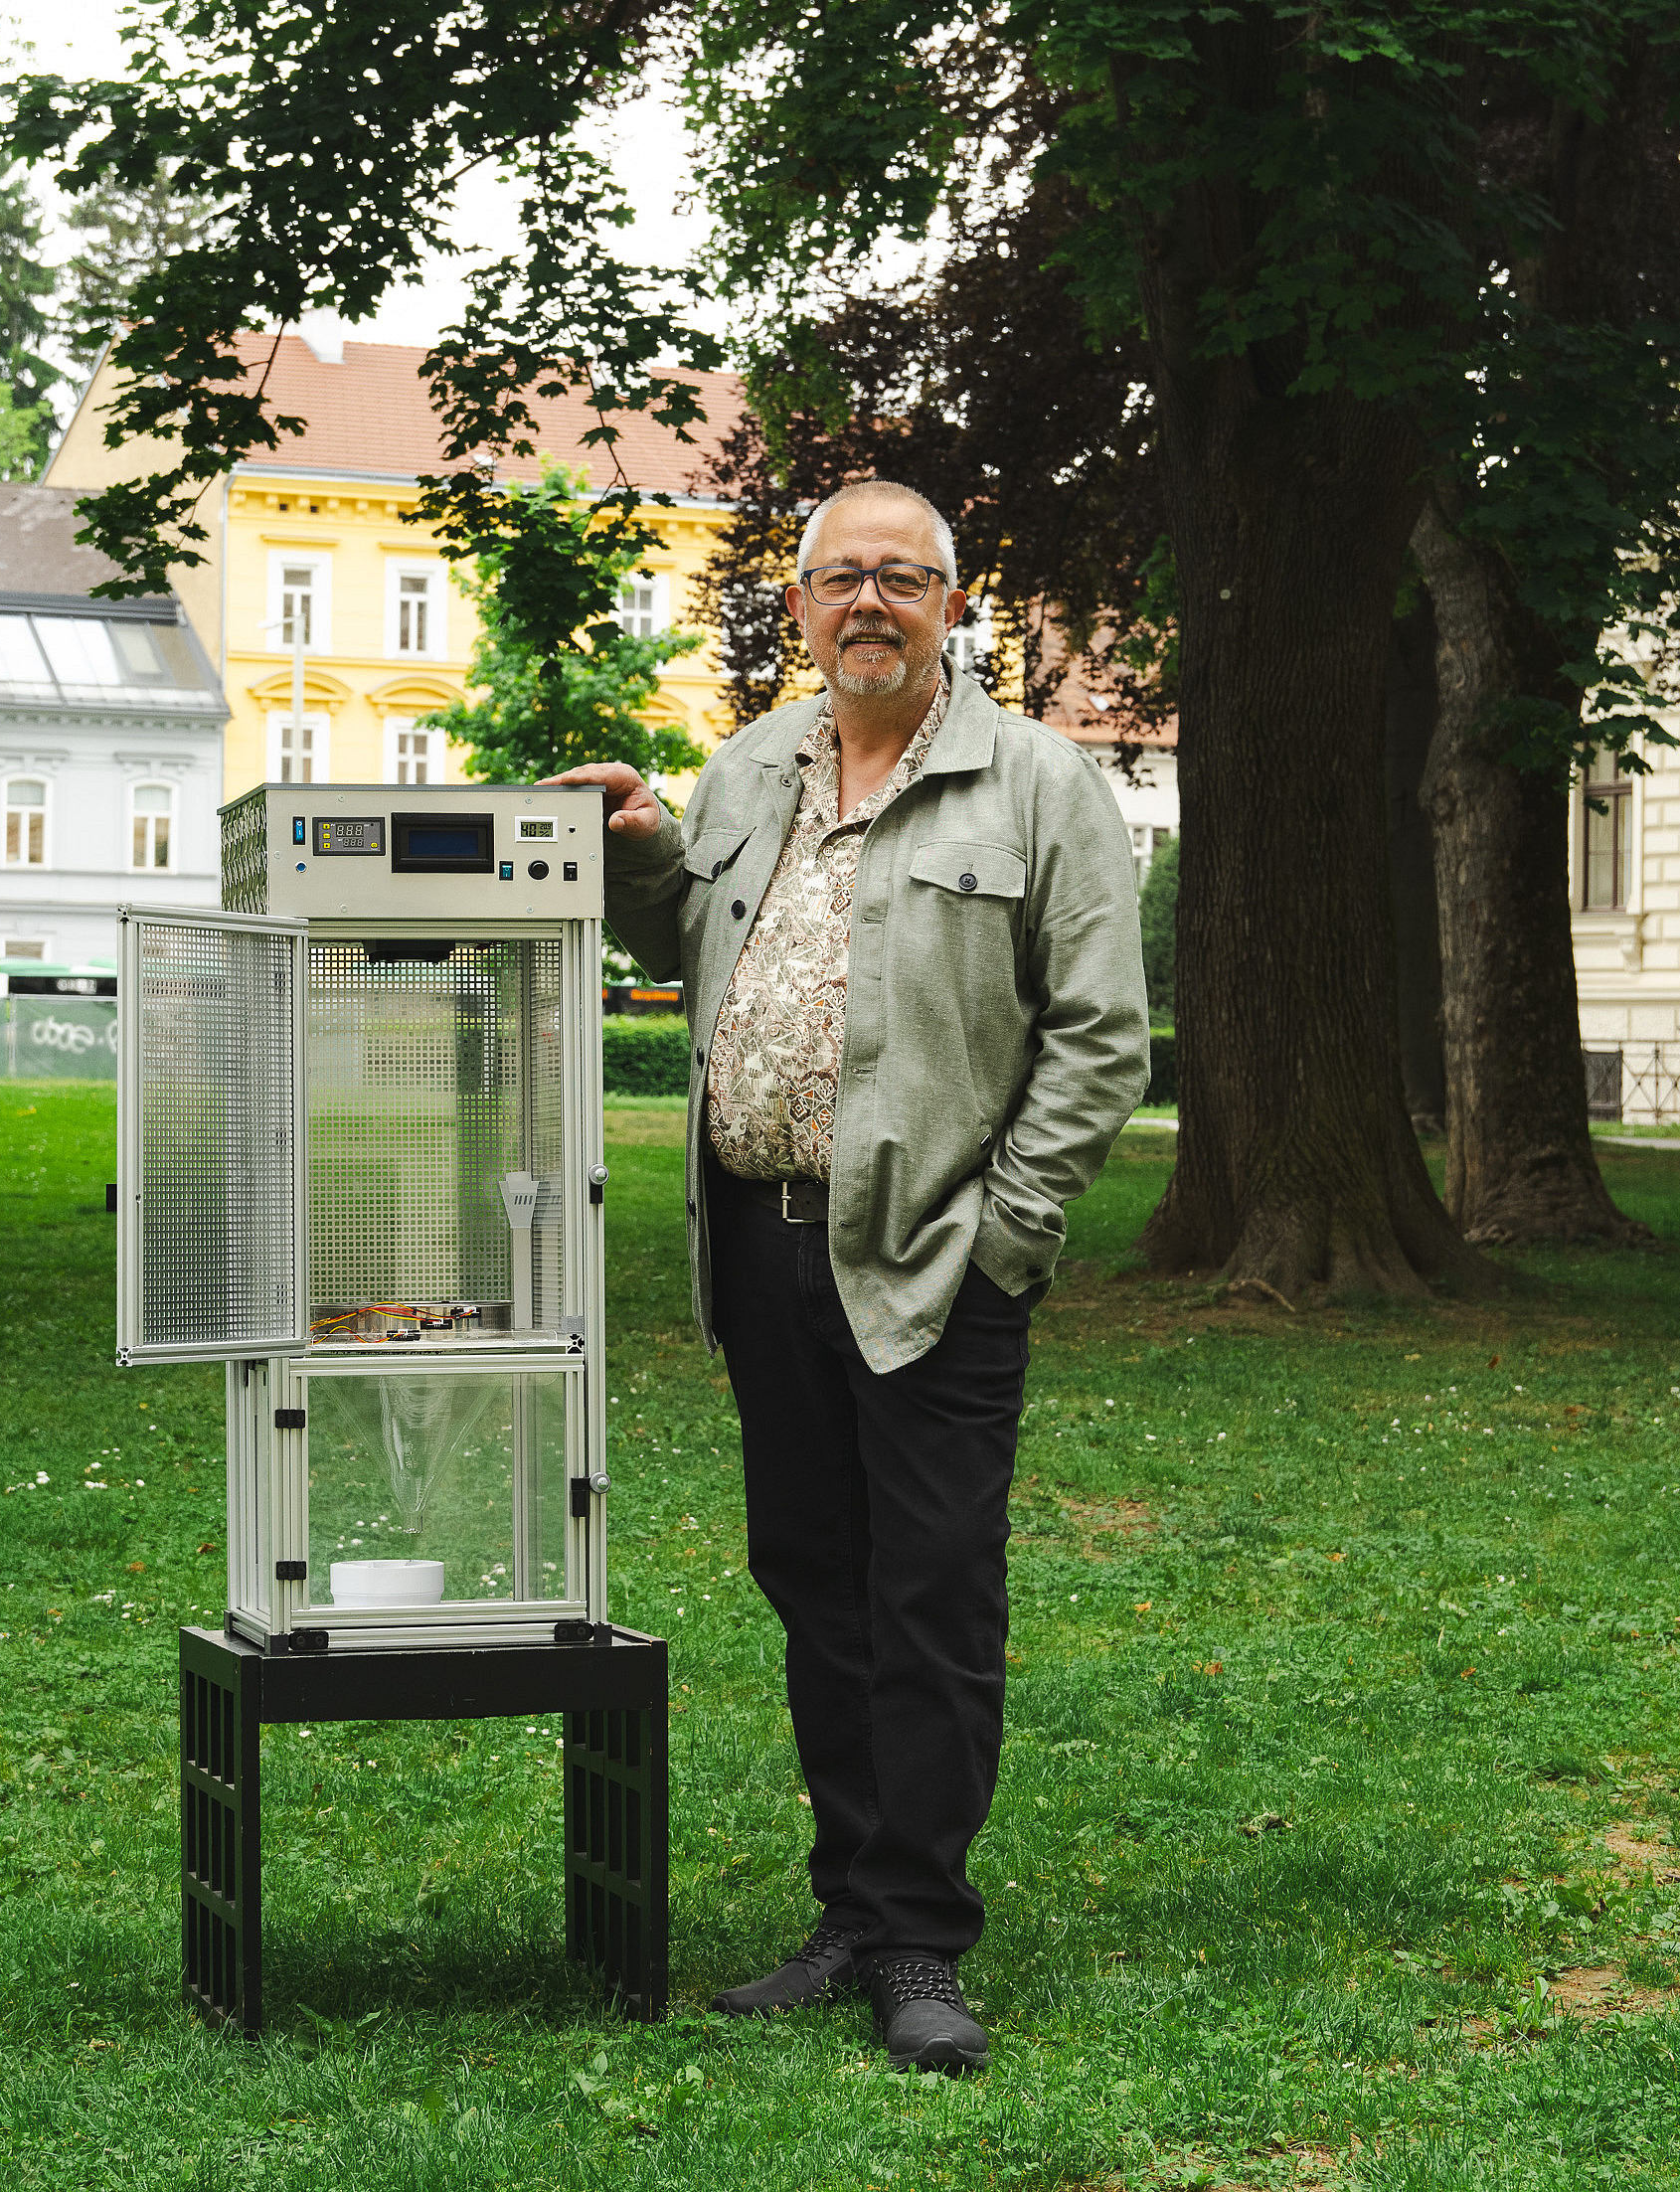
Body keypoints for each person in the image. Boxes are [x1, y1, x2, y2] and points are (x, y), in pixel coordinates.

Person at [554, 479, 1149, 2073]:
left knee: (930, 1593)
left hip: (936, 1254)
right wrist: (632, 854)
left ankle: (918, 1941)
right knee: (814, 1578)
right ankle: (849, 1905)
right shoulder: (750, 762)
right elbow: (691, 934)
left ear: (953, 604)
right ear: (798, 606)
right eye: (838, 580)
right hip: (760, 1246)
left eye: (901, 577)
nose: (866, 603)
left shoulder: (1037, 784)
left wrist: (1006, 1233)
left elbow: (1100, 1038)